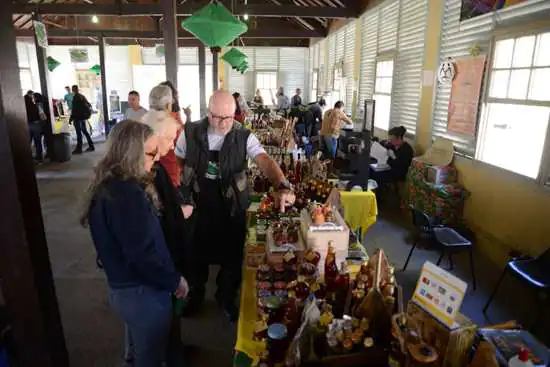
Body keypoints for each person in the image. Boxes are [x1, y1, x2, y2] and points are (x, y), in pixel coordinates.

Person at [175, 90, 295, 322]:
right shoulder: (189, 132)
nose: (222, 123)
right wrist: (181, 189)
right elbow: (178, 163)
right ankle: (195, 295)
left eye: (228, 118)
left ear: (235, 114)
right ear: (207, 112)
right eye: (216, 117)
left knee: (231, 256)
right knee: (193, 253)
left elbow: (265, 161)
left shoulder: (244, 136)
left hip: (231, 206)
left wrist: (282, 185)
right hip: (197, 204)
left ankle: (225, 298)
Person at [81, 120, 189, 367]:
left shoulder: (109, 185)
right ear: (131, 154)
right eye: (152, 153)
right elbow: (143, 255)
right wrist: (175, 281)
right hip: (142, 294)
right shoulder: (126, 195)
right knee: (149, 357)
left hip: (124, 288)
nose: (156, 159)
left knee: (140, 349)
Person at [159, 81, 192, 187]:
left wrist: (188, 116)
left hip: (174, 166)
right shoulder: (166, 118)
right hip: (170, 166)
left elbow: (184, 133)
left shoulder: (174, 115)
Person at [70, 85, 95, 154]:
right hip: (83, 118)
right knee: (85, 132)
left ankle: (79, 149)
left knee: (79, 133)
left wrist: (71, 118)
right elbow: (89, 105)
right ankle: (91, 146)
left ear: (73, 90)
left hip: (77, 118)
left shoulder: (75, 98)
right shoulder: (82, 96)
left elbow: (74, 110)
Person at [25, 91, 44, 162]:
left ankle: (27, 158)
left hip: (27, 125)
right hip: (36, 125)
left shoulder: (23, 107)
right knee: (38, 142)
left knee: (28, 142)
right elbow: (43, 117)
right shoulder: (36, 106)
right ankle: (39, 157)